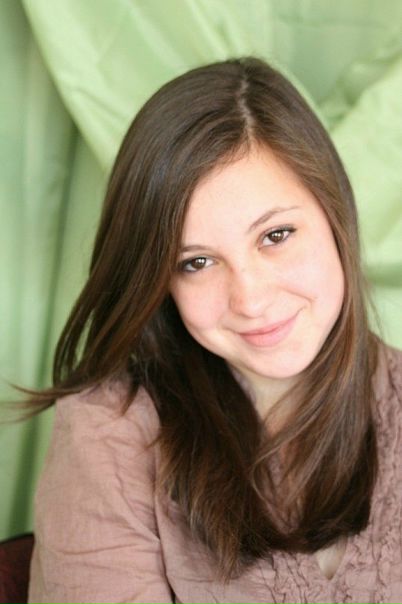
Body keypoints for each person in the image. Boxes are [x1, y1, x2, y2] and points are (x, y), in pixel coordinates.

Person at [27, 57, 402, 604]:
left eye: (276, 235)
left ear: (335, 216)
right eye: (197, 263)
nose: (250, 300)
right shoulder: (108, 434)